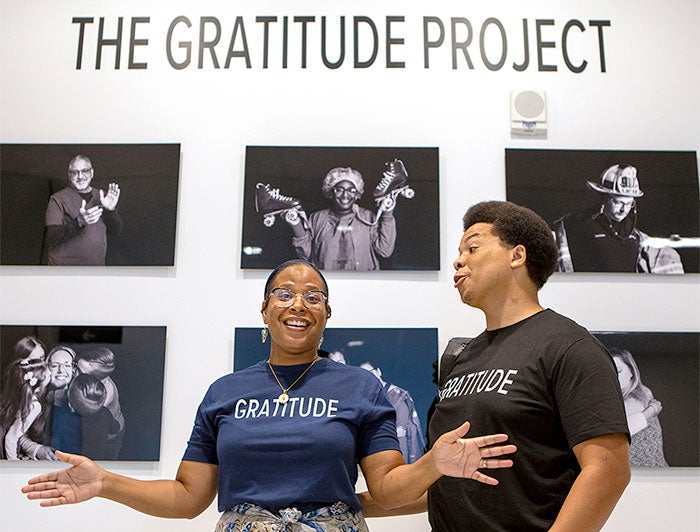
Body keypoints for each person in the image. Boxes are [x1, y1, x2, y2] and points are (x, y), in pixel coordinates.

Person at [22, 259, 516, 531]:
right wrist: (107, 482)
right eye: (284, 293)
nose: (298, 303)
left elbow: (386, 488)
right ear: (265, 310)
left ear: (326, 315)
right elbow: (189, 497)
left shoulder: (361, 388)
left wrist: (432, 463)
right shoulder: (224, 393)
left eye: (313, 296)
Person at [363, 201, 631, 530]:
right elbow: (451, 482)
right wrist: (346, 505)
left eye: (473, 247)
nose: (458, 260)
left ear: (517, 256)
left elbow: (608, 469)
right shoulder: (460, 359)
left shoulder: (570, 347)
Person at [553, 164, 684, 273]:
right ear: (604, 197)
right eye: (618, 202)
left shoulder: (635, 235)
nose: (623, 209)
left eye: (629, 204)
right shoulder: (579, 224)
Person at [287, 167, 397, 270]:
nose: (345, 195)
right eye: (339, 189)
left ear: (357, 195)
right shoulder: (317, 218)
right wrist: (296, 225)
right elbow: (306, 256)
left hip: (363, 283)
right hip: (329, 282)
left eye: (351, 190)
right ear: (330, 193)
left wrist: (387, 213)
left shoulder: (367, 217)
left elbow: (385, 251)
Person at [44, 154, 123, 265]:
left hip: (95, 268)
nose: (80, 176)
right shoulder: (57, 199)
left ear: (92, 173)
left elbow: (116, 231)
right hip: (63, 269)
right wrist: (79, 222)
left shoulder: (103, 197)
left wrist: (110, 210)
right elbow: (51, 237)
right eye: (75, 172)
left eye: (85, 171)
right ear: (69, 175)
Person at [609, 348, 668, 467]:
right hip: (653, 474)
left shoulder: (634, 400)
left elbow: (615, 432)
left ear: (631, 372)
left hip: (646, 476)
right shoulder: (643, 394)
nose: (614, 376)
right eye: (609, 372)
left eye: (619, 371)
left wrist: (649, 412)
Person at [359, 361, 426, 464]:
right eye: (363, 376)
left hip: (399, 464)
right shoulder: (369, 398)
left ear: (378, 371)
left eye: (369, 373)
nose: (368, 378)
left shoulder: (398, 397)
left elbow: (401, 437)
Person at [75, 346, 125, 454]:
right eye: (76, 366)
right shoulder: (86, 379)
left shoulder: (103, 394)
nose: (74, 373)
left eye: (80, 372)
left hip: (109, 435)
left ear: (97, 380)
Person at [0, 357, 50, 459]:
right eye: (49, 375)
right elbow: (11, 438)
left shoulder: (16, 395)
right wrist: (14, 464)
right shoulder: (34, 405)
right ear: (40, 385)